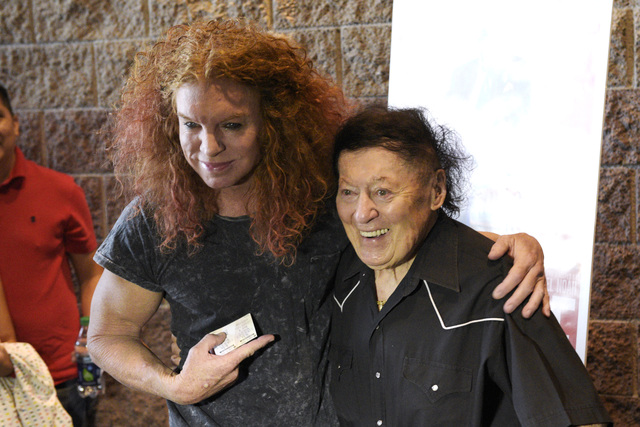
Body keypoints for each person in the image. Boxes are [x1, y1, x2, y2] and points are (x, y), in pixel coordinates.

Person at [87, 19, 548, 426]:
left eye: (232, 126)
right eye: (191, 125)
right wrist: (176, 385)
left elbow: (416, 235)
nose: (208, 147)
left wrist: (512, 246)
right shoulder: (154, 220)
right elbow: (107, 336)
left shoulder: (325, 196)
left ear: (273, 122)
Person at [329, 105, 611, 426]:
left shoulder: (502, 284)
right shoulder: (336, 278)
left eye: (383, 192)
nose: (362, 213)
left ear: (436, 190)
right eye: (348, 192)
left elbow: (578, 419)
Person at [0, 83, 104, 426]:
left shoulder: (60, 191)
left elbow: (91, 275)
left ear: (15, 123)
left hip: (62, 377)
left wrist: (91, 341)